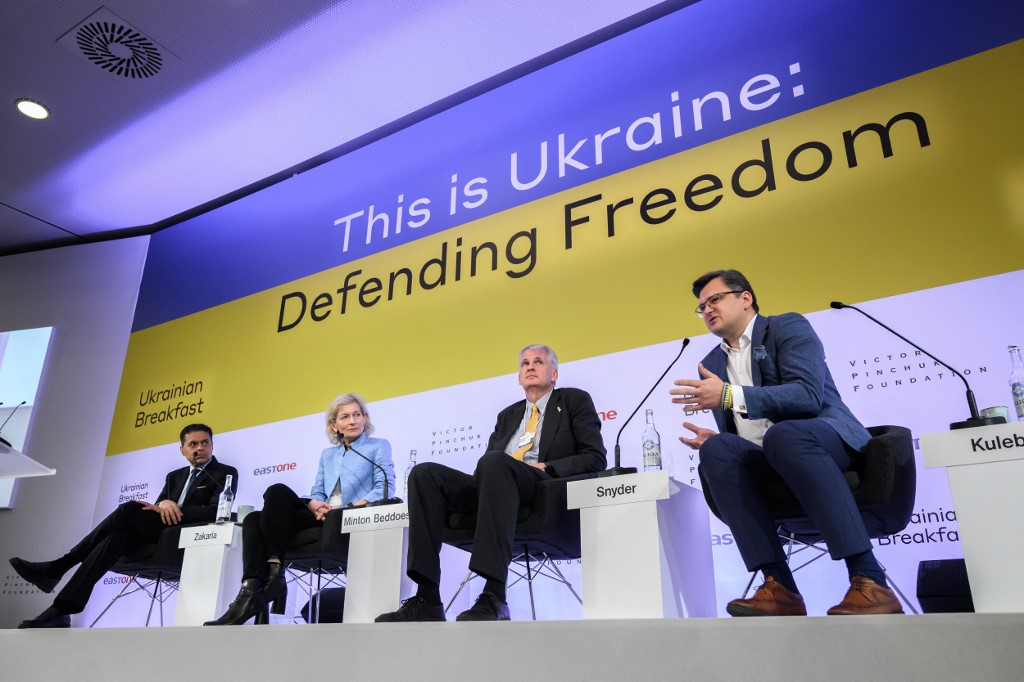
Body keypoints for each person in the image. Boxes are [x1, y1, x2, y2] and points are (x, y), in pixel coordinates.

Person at [669, 269, 902, 616]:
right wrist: (720, 441)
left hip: (822, 442)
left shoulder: (787, 327)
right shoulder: (711, 363)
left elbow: (807, 396)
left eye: (715, 299)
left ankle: (870, 579)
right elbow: (740, 428)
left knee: (785, 434)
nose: (707, 310)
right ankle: (779, 586)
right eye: (702, 307)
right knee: (718, 449)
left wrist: (730, 395)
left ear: (745, 298)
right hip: (771, 457)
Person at [376, 344, 606, 623]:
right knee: (424, 474)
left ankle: (494, 595)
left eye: (538, 362)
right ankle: (427, 598)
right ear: (518, 378)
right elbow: (487, 466)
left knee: (495, 462)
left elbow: (594, 458)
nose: (530, 367)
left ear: (554, 373)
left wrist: (546, 467)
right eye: (524, 364)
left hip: (539, 487)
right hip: (496, 481)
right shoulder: (508, 415)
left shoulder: (573, 401)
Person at [10, 423, 238, 628]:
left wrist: (175, 509)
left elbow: (217, 510)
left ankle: (60, 566)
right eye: (193, 444)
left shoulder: (224, 473)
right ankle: (61, 610)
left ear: (212, 445)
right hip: (159, 532)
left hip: (187, 537)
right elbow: (156, 506)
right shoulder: (174, 476)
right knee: (117, 536)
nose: (200, 448)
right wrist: (163, 503)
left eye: (205, 443)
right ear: (182, 450)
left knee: (129, 510)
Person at [205, 393, 395, 625]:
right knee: (263, 506)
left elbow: (384, 487)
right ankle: (256, 584)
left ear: (365, 418)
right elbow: (318, 490)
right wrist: (314, 504)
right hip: (320, 515)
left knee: (258, 517)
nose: (353, 421)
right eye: (345, 417)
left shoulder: (378, 446)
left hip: (346, 519)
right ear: (334, 425)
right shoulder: (328, 455)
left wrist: (346, 509)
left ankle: (264, 587)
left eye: (357, 415)